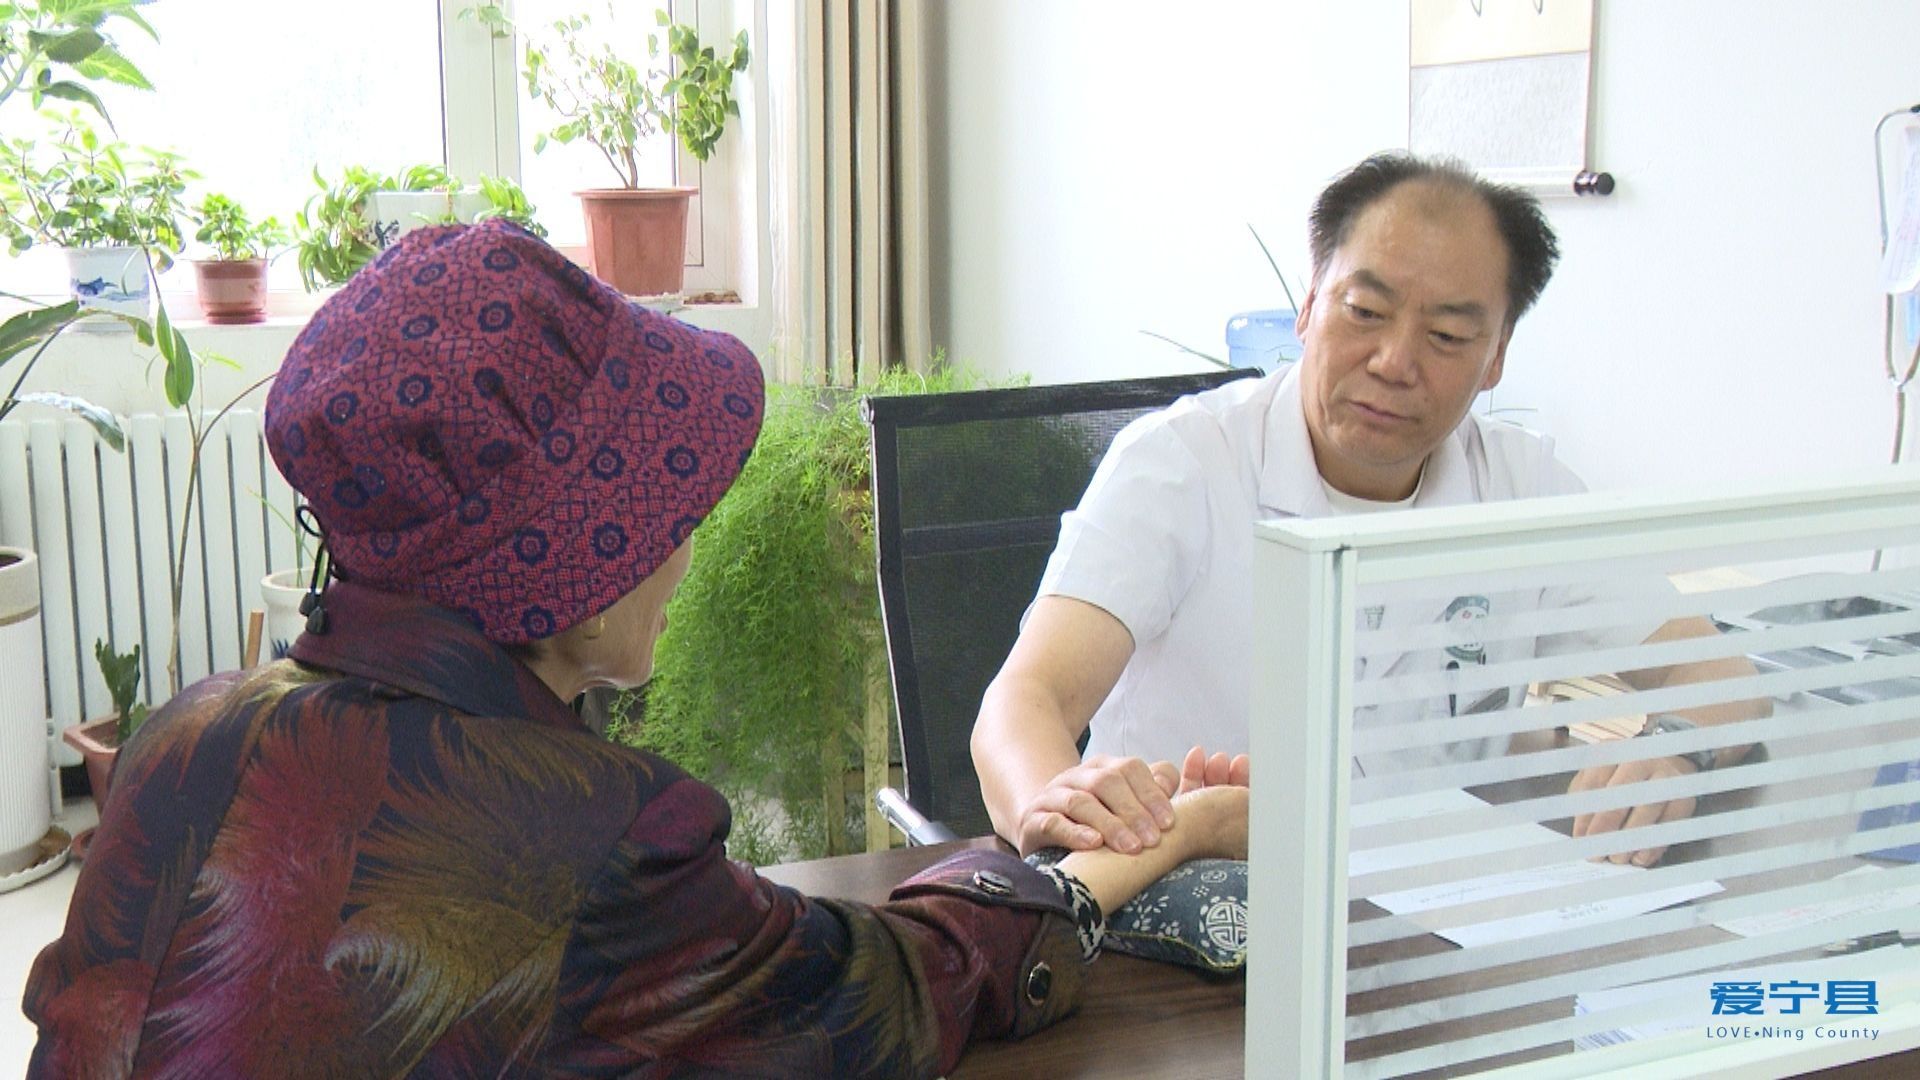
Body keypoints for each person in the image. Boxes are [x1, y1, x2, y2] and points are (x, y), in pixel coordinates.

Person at [23, 220, 1249, 1078]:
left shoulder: (184, 735)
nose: (689, 547)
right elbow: (900, 990)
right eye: (667, 507)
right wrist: (1164, 836)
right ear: (574, 570)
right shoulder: (589, 830)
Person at [972, 152, 1759, 868]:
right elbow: (1024, 702)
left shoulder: (1521, 487)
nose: (1394, 362)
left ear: (1496, 356)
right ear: (1310, 304)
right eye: (1366, 312)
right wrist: (1063, 810)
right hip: (1186, 901)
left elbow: (1720, 673)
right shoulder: (1183, 463)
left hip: (1421, 916)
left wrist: (1675, 750)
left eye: (1446, 334)